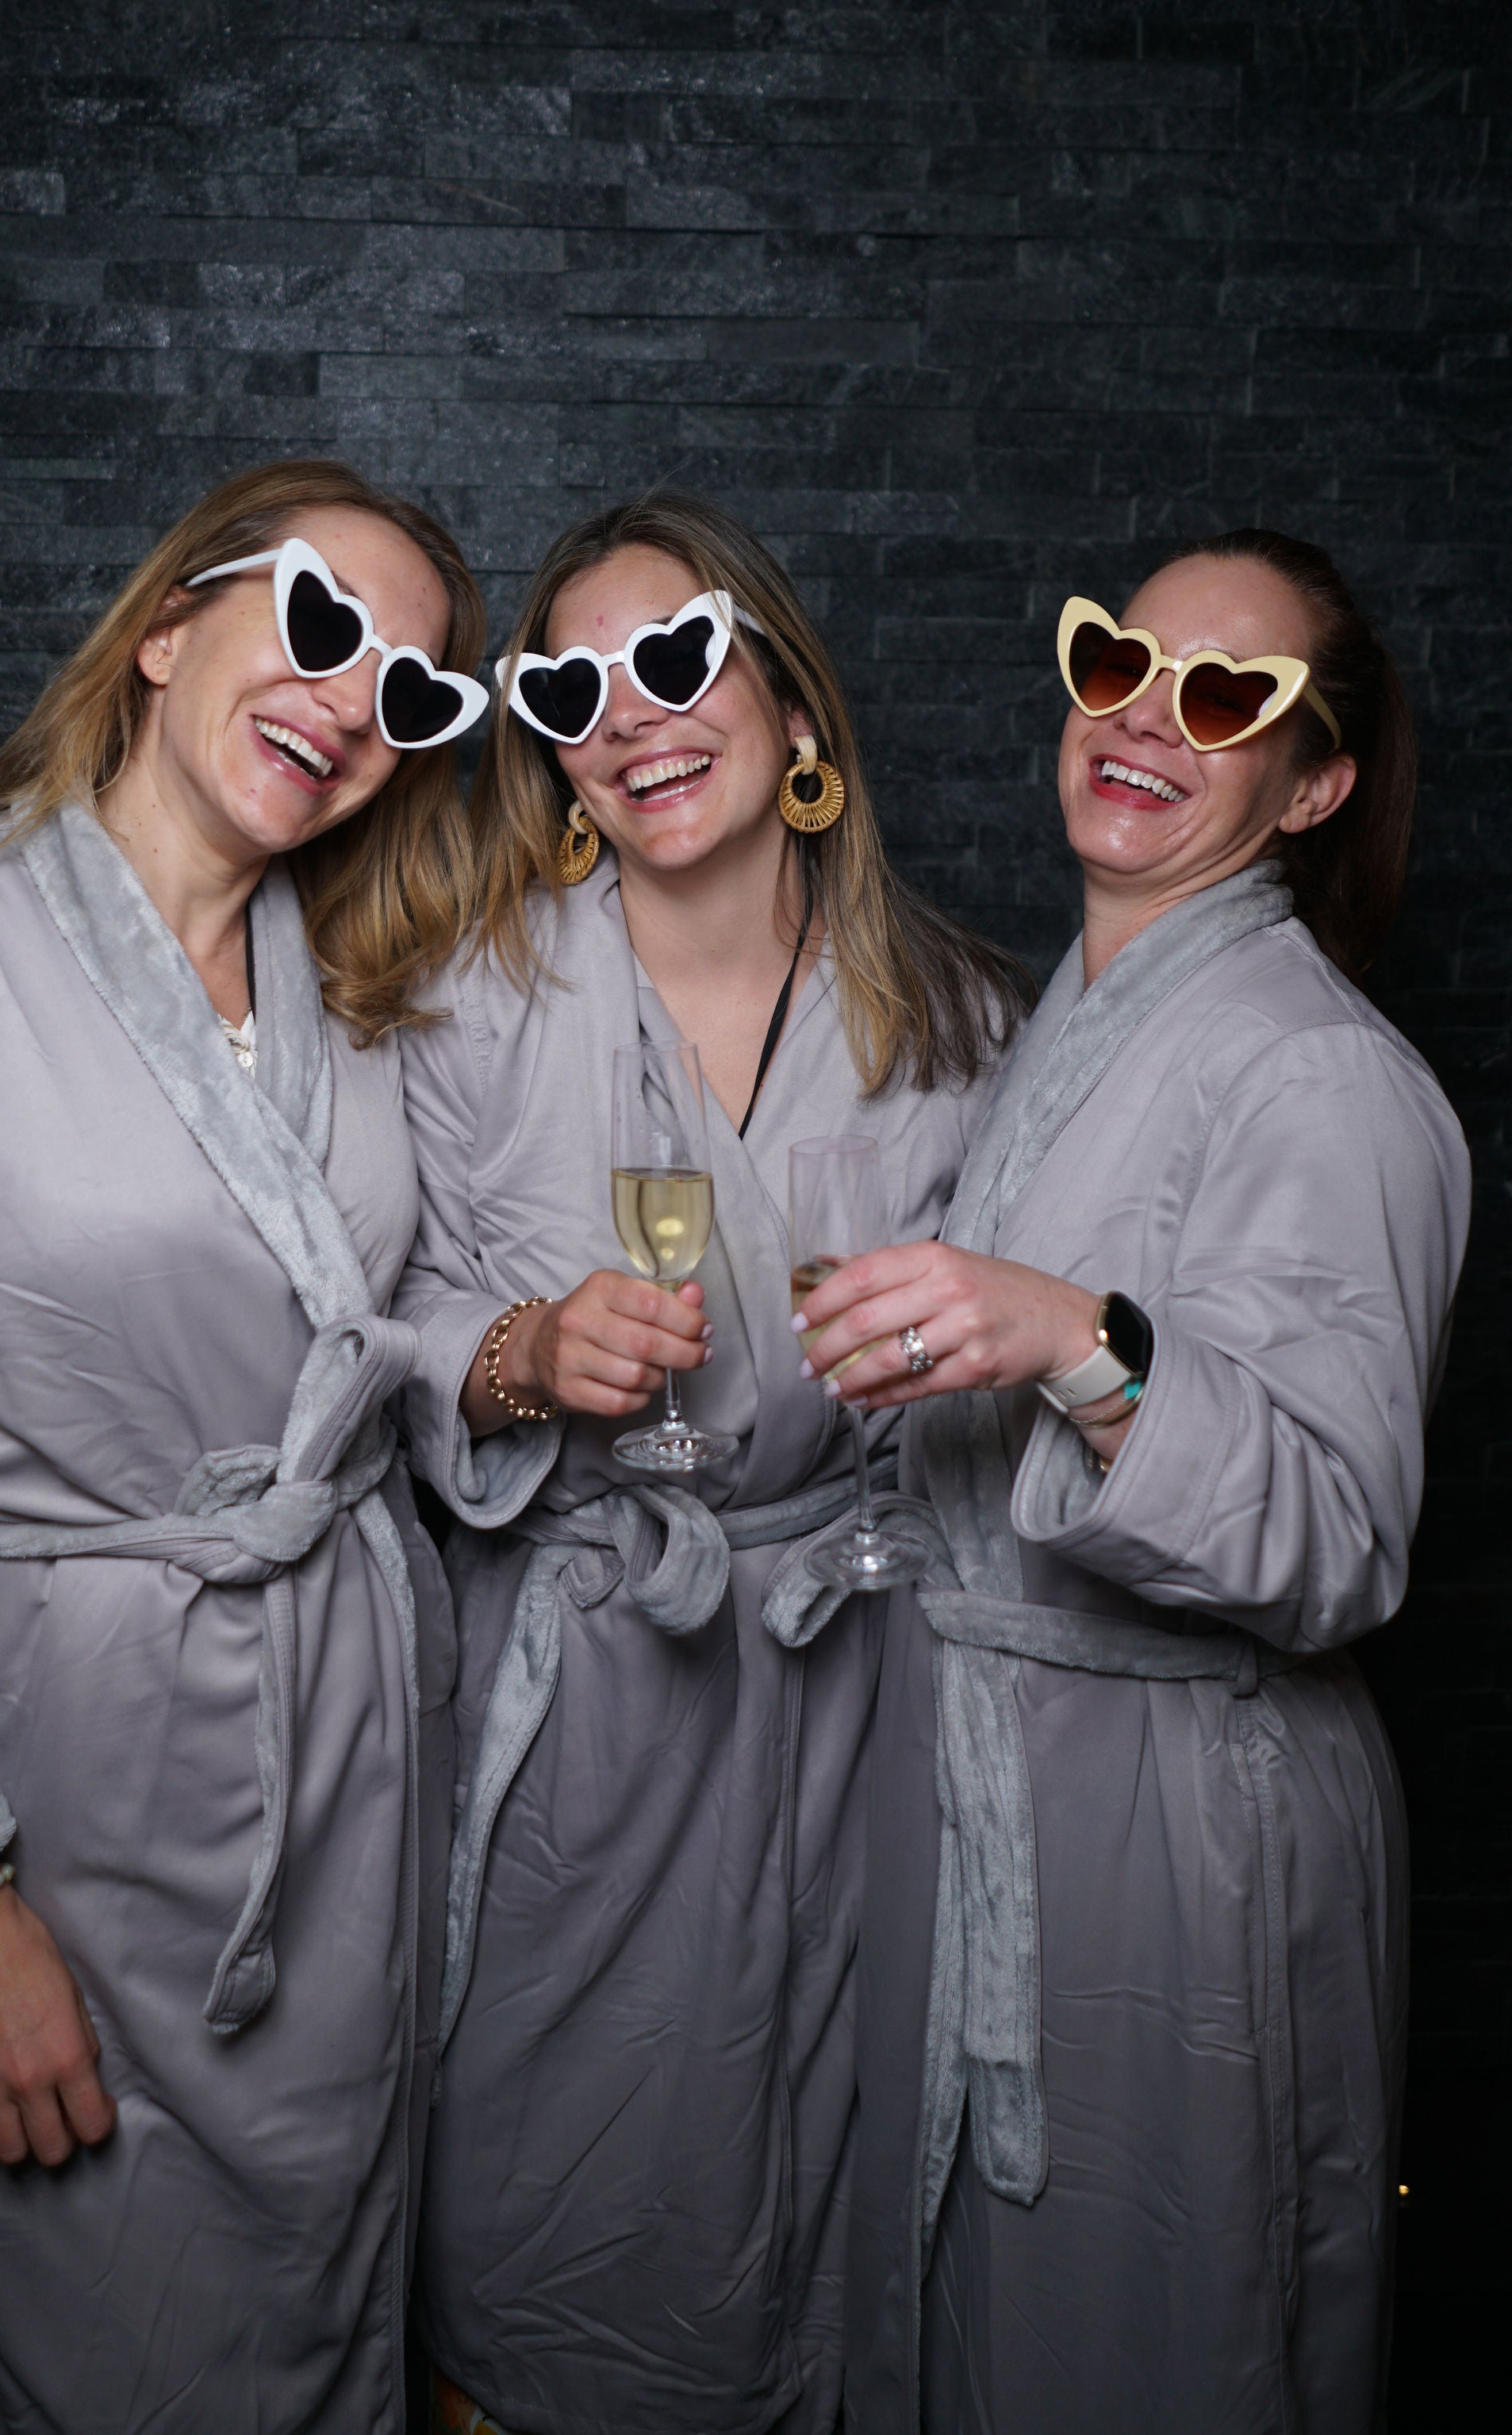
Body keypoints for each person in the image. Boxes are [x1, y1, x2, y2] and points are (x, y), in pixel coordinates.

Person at [796, 531, 1472, 2433]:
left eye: (1227, 695)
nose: (1148, 718)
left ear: (1310, 786)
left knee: (1159, 2342)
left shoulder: (1323, 1075)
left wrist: (1070, 1331)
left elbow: (1337, 1533)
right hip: (1004, 1782)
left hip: (1181, 1836)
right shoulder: (1069, 1025)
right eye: (1119, 663)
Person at [390, 490, 1027, 2435]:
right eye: (571, 688)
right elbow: (360, 1319)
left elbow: (1018, 1373)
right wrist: (522, 1353)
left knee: (826, 2145)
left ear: (791, 702)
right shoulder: (462, 1000)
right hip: (590, 1672)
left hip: (855, 1680)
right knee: (554, 2166)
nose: (631, 716)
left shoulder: (961, 1018)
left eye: (675, 657)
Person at [0, 458, 488, 2429]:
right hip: (57, 1787)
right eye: (319, 622)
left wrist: (528, 1355)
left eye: (411, 687)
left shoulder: (369, 992)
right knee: (68, 2326)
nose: (352, 696)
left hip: (341, 1772)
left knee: (324, 2307)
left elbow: (396, 1338)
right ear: (164, 631)